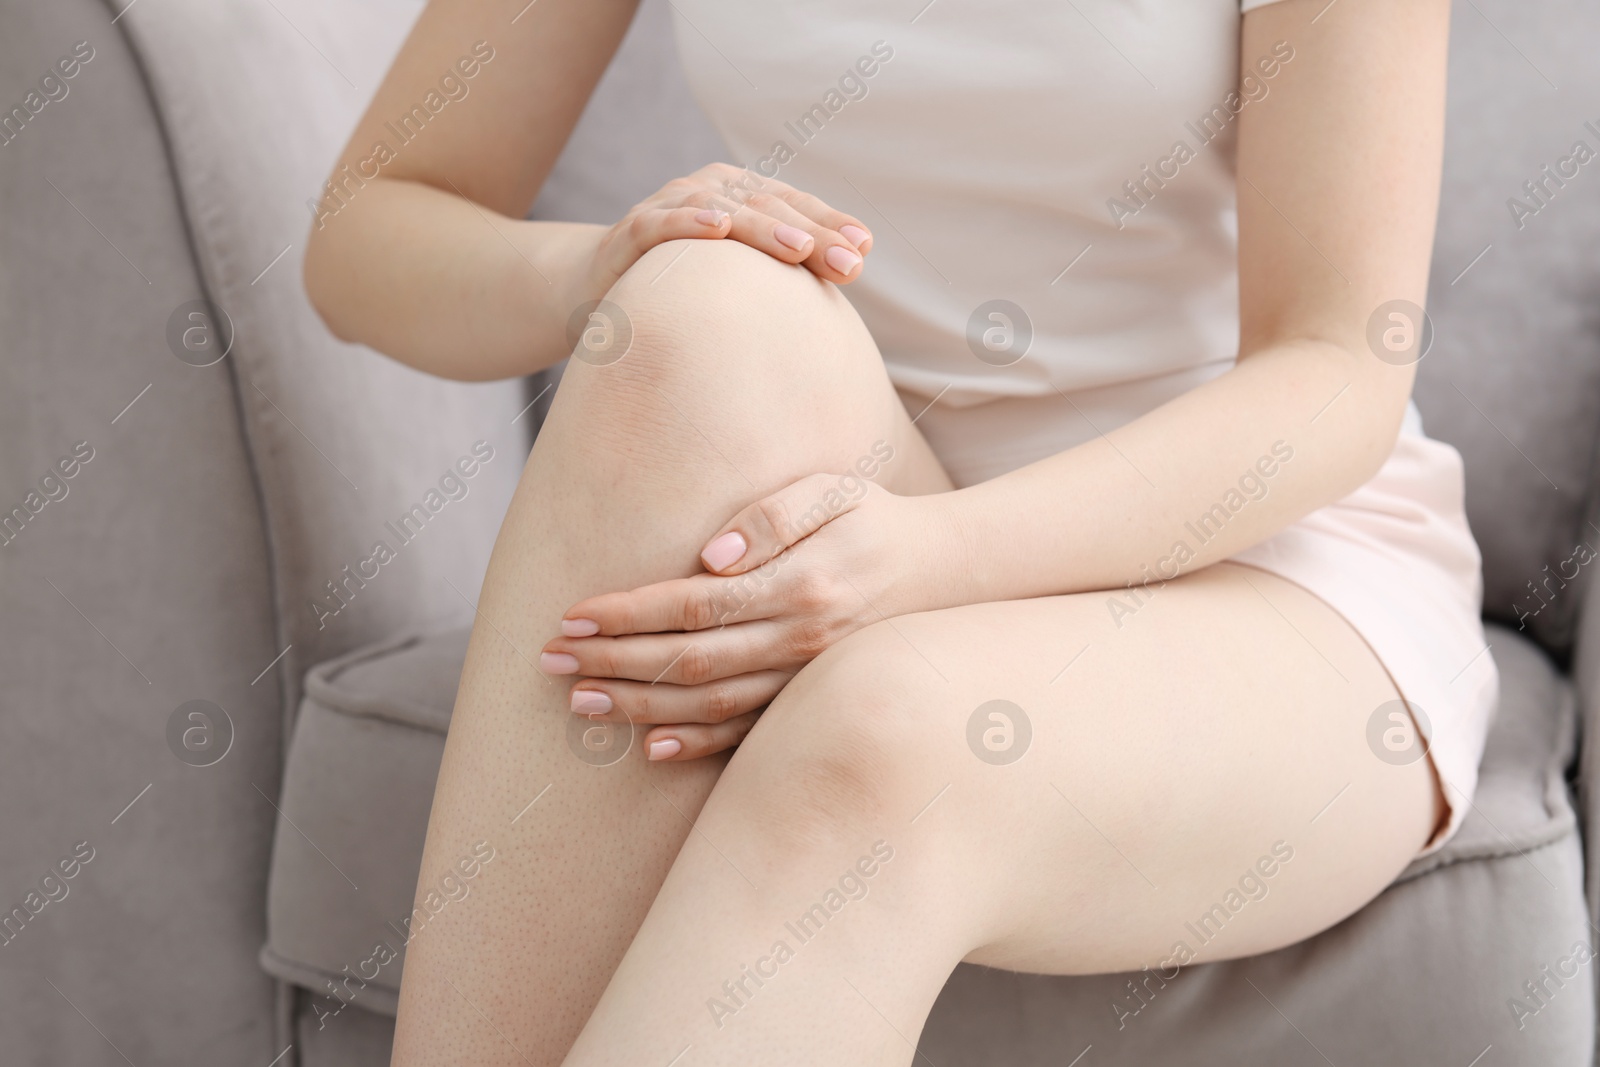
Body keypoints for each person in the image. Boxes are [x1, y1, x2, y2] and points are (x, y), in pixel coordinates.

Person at [303, 0, 1498, 1062]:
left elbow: (1337, 365)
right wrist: (594, 272)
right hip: (861, 493)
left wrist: (930, 561)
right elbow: (370, 231)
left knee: (880, 730)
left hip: (1249, 563)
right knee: (685, 309)